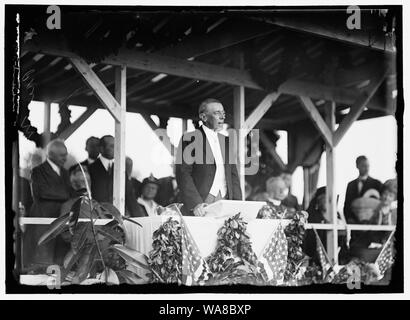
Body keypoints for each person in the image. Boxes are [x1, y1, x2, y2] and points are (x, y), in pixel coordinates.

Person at [175, 98, 242, 216]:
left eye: (223, 113)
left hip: (226, 200)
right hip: (201, 203)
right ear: (204, 117)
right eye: (217, 113)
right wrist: (196, 203)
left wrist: (238, 204)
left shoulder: (226, 141)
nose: (222, 117)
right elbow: (183, 173)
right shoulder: (190, 139)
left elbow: (233, 175)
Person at [25, 139, 72, 271]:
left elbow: (70, 193)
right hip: (43, 220)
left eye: (66, 154)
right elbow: (41, 193)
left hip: (61, 220)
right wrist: (65, 196)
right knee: (42, 261)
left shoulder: (65, 172)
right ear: (50, 154)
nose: (65, 158)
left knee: (59, 261)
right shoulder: (38, 171)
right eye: (62, 155)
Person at [88, 135, 139, 216]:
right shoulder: (90, 169)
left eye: (117, 146)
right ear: (101, 148)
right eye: (112, 146)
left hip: (118, 218)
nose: (116, 149)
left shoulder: (121, 170)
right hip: (97, 218)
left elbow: (129, 196)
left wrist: (140, 219)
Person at [343, 156, 382, 223]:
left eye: (368, 166)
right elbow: (347, 205)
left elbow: (381, 203)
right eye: (363, 166)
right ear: (357, 166)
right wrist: (349, 219)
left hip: (372, 224)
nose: (367, 169)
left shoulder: (377, 184)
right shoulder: (351, 185)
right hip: (354, 224)